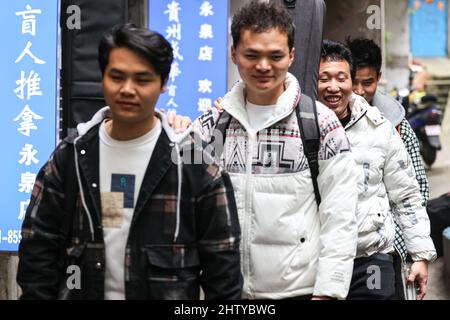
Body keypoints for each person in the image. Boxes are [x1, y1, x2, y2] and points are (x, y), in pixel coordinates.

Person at [16, 23, 242, 300]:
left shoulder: (197, 168)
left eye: (142, 79)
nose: (127, 89)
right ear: (102, 78)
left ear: (163, 83)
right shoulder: (70, 158)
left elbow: (224, 276)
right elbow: (38, 252)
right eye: (117, 76)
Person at [192, 1, 358, 300]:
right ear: (234, 54)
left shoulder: (320, 124)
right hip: (225, 293)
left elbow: (341, 216)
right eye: (252, 54)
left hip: (300, 292)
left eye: (276, 55)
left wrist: (329, 291)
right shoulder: (211, 125)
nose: (263, 66)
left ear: (292, 55)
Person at [318, 39, 436, 300]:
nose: (334, 87)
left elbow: (408, 194)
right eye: (324, 78)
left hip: (371, 256)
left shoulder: (382, 128)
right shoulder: (299, 129)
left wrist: (418, 254)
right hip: (316, 260)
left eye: (341, 78)